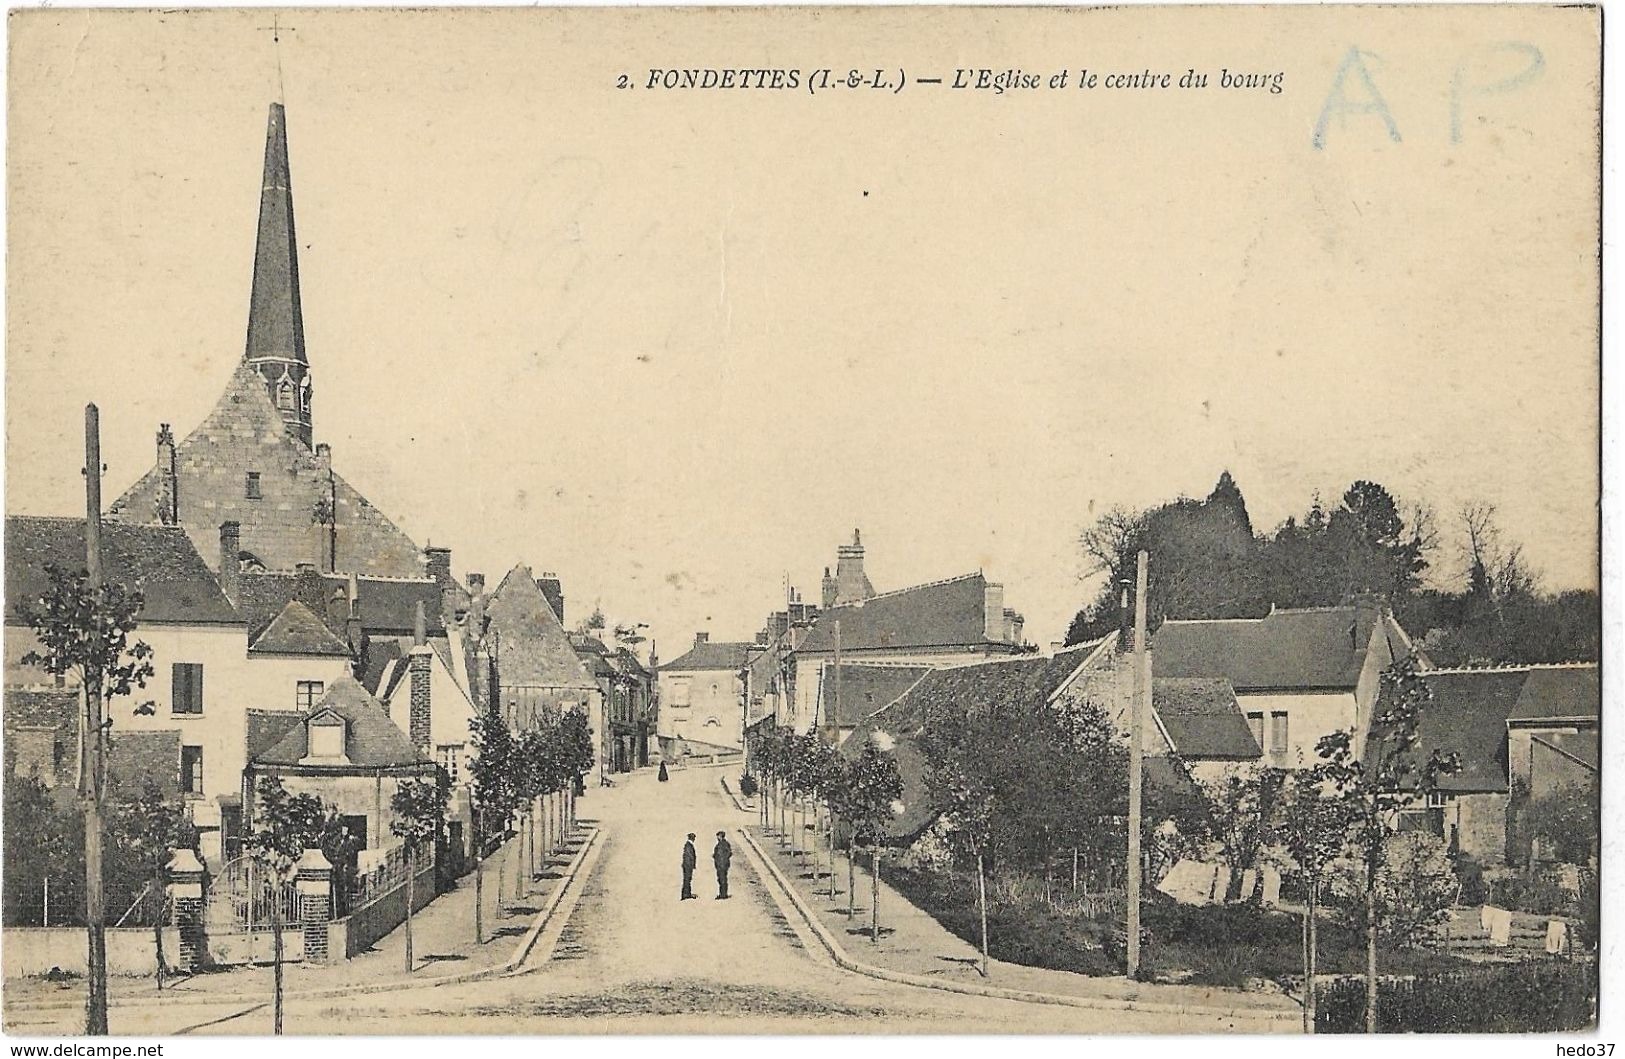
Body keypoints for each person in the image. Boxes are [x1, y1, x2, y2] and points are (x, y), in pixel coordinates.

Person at [713, 830, 732, 900]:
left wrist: (723, 860)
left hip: (722, 865)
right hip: (721, 865)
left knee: (722, 879)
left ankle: (723, 894)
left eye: (718, 836)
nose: (717, 838)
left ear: (720, 836)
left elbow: (728, 853)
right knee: (721, 879)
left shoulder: (723, 844)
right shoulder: (722, 844)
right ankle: (722, 893)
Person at [680, 833, 697, 900]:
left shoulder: (689, 845)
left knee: (688, 879)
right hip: (688, 866)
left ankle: (687, 893)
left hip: (688, 865)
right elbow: (690, 856)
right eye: (693, 838)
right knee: (687, 879)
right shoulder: (688, 845)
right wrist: (692, 865)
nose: (694, 839)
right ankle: (685, 895)